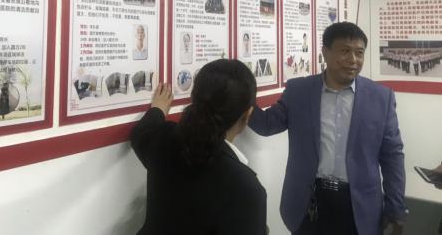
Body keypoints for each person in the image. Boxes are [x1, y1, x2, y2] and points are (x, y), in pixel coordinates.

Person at [249, 22, 406, 235]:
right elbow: (267, 125)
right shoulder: (299, 91)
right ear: (325, 52)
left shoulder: (381, 97)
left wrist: (396, 208)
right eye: (345, 51)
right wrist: (241, 90)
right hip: (309, 202)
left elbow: (392, 156)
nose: (353, 60)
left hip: (359, 206)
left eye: (359, 53)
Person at [131, 59, 267, 235]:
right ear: (247, 115)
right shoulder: (245, 187)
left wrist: (158, 109)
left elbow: (141, 133)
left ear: (194, 98)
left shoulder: (164, 137)